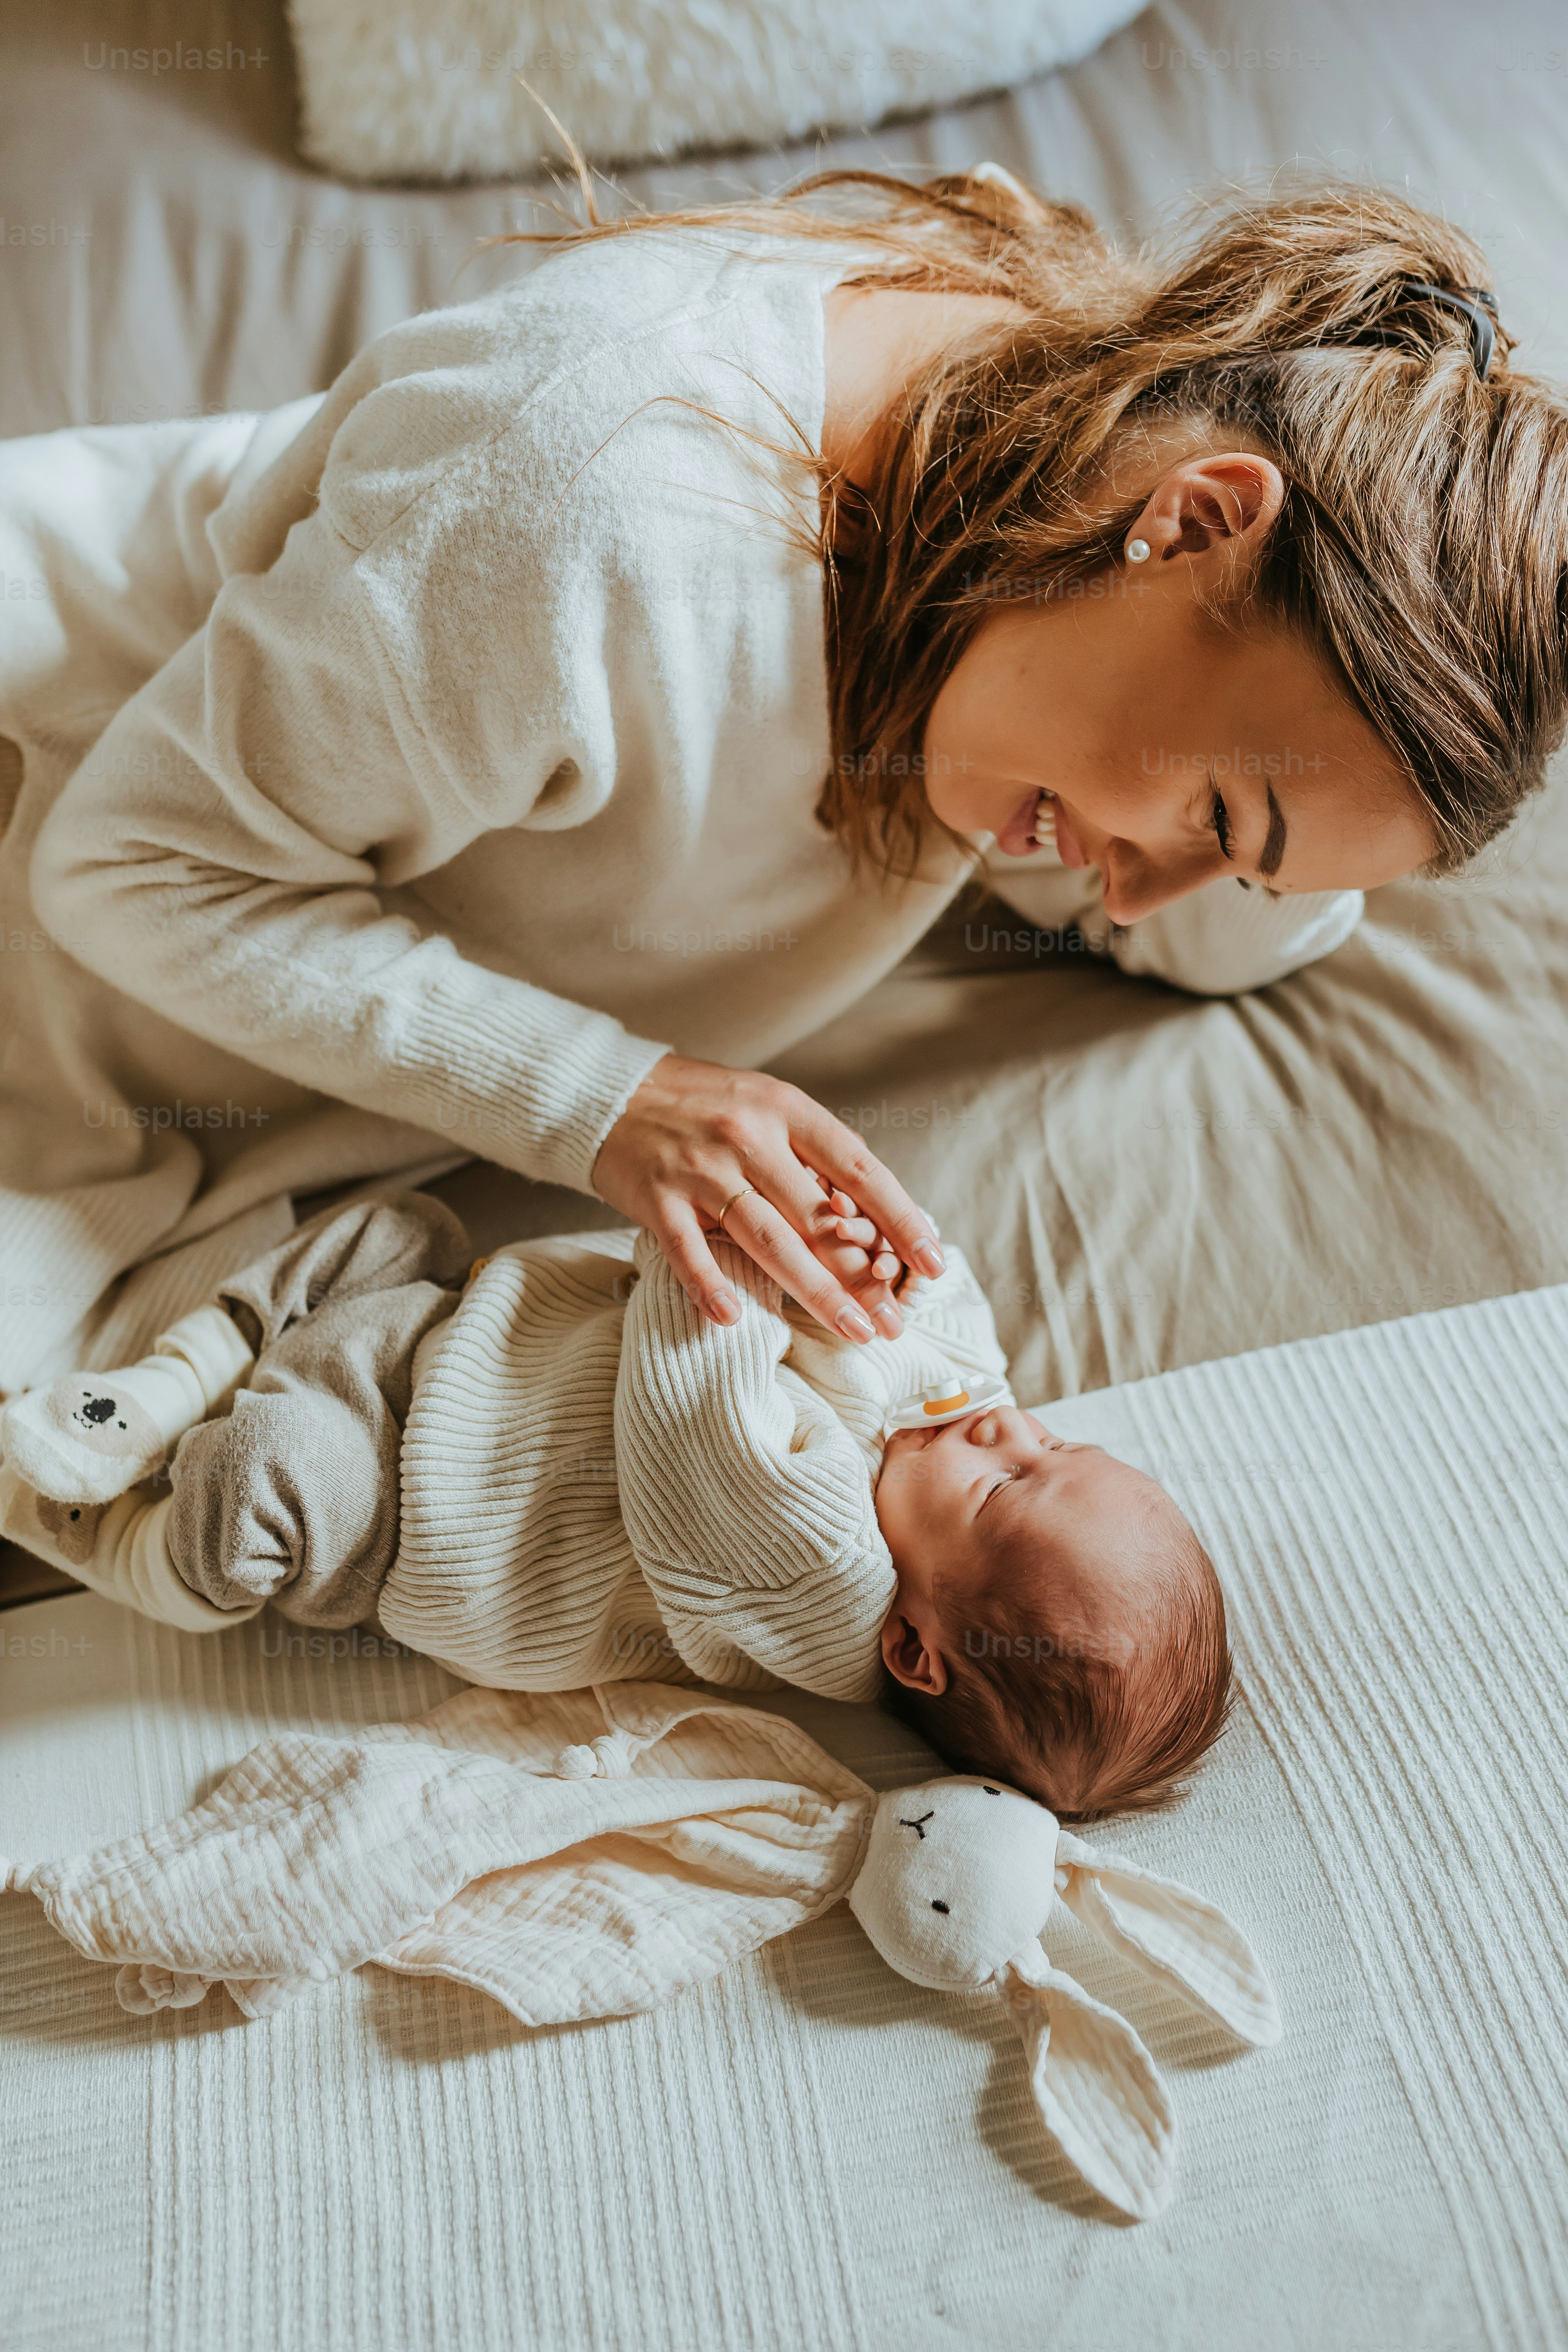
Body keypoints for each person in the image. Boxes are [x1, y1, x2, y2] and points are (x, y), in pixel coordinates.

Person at [2, 165, 1563, 1393]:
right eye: (1215, 823)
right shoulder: (586, 523)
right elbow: (133, 863)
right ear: (1192, 521)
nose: (1130, 895)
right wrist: (609, 1104)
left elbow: (1211, 925)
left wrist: (1275, 846)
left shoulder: (1055, 539)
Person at [0, 1191, 1228, 1821]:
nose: (1009, 1427)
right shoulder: (952, 1424)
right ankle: (155, 1394)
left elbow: (690, 1377)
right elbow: (934, 1303)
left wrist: (747, 1235)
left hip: (401, 1497)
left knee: (259, 1493)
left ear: (914, 1643)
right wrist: (869, 1251)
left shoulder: (821, 1577)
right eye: (1055, 1442)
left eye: (1009, 1484)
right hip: (447, 1325)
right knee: (393, 1227)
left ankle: (103, 1533)